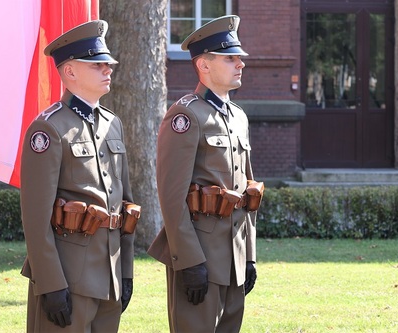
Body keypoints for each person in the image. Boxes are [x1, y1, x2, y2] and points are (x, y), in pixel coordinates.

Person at [20, 20, 140, 332]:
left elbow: (124, 208)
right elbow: (36, 218)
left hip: (109, 275)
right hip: (68, 277)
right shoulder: (49, 128)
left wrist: (125, 272)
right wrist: (50, 284)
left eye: (108, 63)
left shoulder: (113, 124)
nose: (108, 69)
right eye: (97, 64)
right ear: (70, 71)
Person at [147, 15, 263, 332]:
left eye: (239, 57)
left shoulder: (239, 117)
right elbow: (172, 197)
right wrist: (189, 260)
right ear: (205, 66)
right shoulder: (186, 114)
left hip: (234, 257)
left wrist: (249, 255)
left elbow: (248, 195)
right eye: (230, 58)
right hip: (200, 255)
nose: (240, 64)